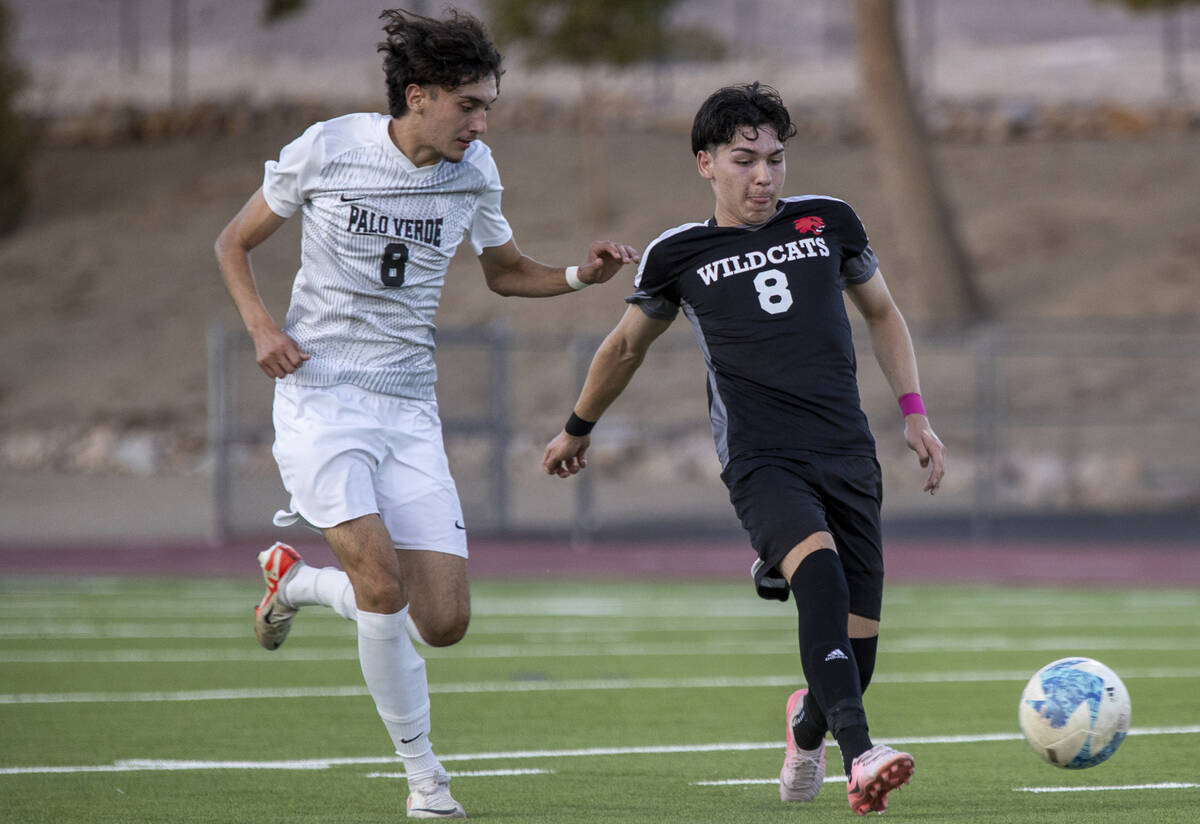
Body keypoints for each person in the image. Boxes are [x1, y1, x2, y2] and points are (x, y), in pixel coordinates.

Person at [213, 8, 638, 820]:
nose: (481, 124)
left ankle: (294, 583)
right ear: (417, 95)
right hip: (321, 397)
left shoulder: (475, 173)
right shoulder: (330, 148)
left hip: (409, 407)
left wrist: (582, 276)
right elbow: (233, 242)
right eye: (468, 106)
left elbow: (507, 274)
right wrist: (263, 328)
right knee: (379, 582)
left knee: (442, 621)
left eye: (487, 108)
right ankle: (426, 779)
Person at [541, 82, 945, 816]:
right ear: (706, 164)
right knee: (819, 579)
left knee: (859, 655)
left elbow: (883, 313)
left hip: (848, 453)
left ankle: (807, 724)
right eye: (743, 160)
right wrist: (578, 425)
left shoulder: (831, 222)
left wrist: (915, 414)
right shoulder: (677, 253)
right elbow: (626, 346)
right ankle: (862, 757)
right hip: (761, 459)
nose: (763, 176)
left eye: (774, 159)